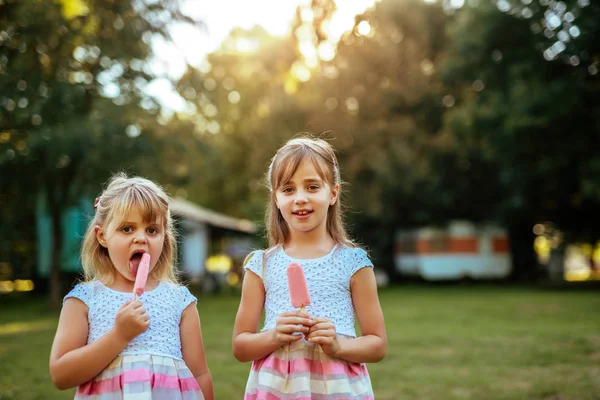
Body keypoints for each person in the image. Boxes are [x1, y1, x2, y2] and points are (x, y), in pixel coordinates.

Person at [232, 136, 387, 399]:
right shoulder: (261, 265)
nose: (300, 198)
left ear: (333, 193)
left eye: (312, 187)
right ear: (276, 198)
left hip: (337, 388)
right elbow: (240, 347)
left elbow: (377, 345)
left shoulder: (354, 263)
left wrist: (337, 345)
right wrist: (274, 336)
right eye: (288, 189)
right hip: (279, 388)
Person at [49, 173, 213, 400]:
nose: (141, 238)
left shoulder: (180, 301)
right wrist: (119, 335)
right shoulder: (84, 300)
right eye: (127, 229)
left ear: (164, 236)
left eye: (152, 230)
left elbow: (200, 374)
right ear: (102, 236)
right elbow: (61, 375)